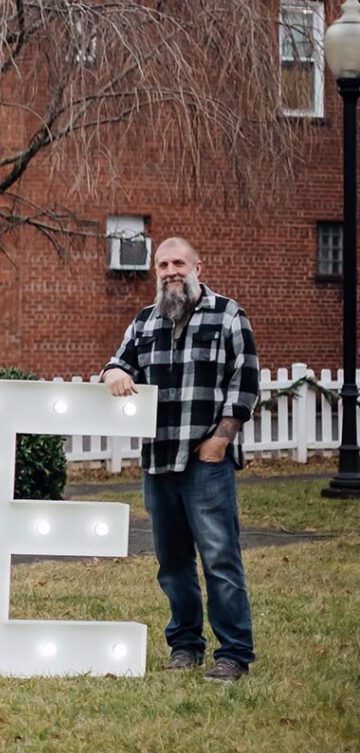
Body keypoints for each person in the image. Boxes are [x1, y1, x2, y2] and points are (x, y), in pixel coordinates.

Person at [101, 236, 258, 682]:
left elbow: (244, 383)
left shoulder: (228, 314)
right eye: (163, 264)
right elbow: (117, 365)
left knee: (219, 558)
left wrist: (220, 442)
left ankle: (233, 653)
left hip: (205, 461)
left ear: (197, 268)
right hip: (158, 461)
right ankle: (185, 645)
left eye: (178, 263)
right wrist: (113, 372)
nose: (171, 270)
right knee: (172, 563)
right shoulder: (144, 321)